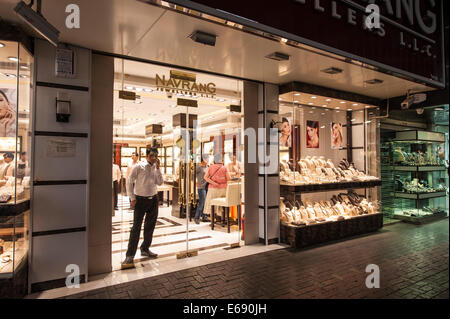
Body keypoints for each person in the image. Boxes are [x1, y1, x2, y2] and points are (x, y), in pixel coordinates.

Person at [121, 147, 163, 268]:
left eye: (156, 156)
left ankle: (145, 248)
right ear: (147, 156)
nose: (153, 158)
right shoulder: (139, 166)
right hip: (140, 200)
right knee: (136, 228)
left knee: (150, 226)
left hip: (153, 199)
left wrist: (158, 169)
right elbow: (129, 181)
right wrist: (132, 198)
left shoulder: (156, 167)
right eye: (151, 156)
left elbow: (160, 182)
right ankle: (130, 255)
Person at [203, 154, 231, 221]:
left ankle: (212, 221)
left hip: (213, 189)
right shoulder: (225, 167)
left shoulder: (211, 167)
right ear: (221, 160)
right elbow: (229, 179)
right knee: (221, 205)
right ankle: (222, 220)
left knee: (212, 204)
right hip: (223, 189)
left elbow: (205, 177)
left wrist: (214, 183)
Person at [194, 158, 208, 224]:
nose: (208, 160)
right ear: (203, 160)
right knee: (202, 202)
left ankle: (204, 217)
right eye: (207, 159)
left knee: (206, 202)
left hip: (207, 186)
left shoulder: (207, 167)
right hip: (201, 187)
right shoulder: (199, 167)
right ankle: (196, 217)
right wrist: (195, 181)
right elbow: (192, 173)